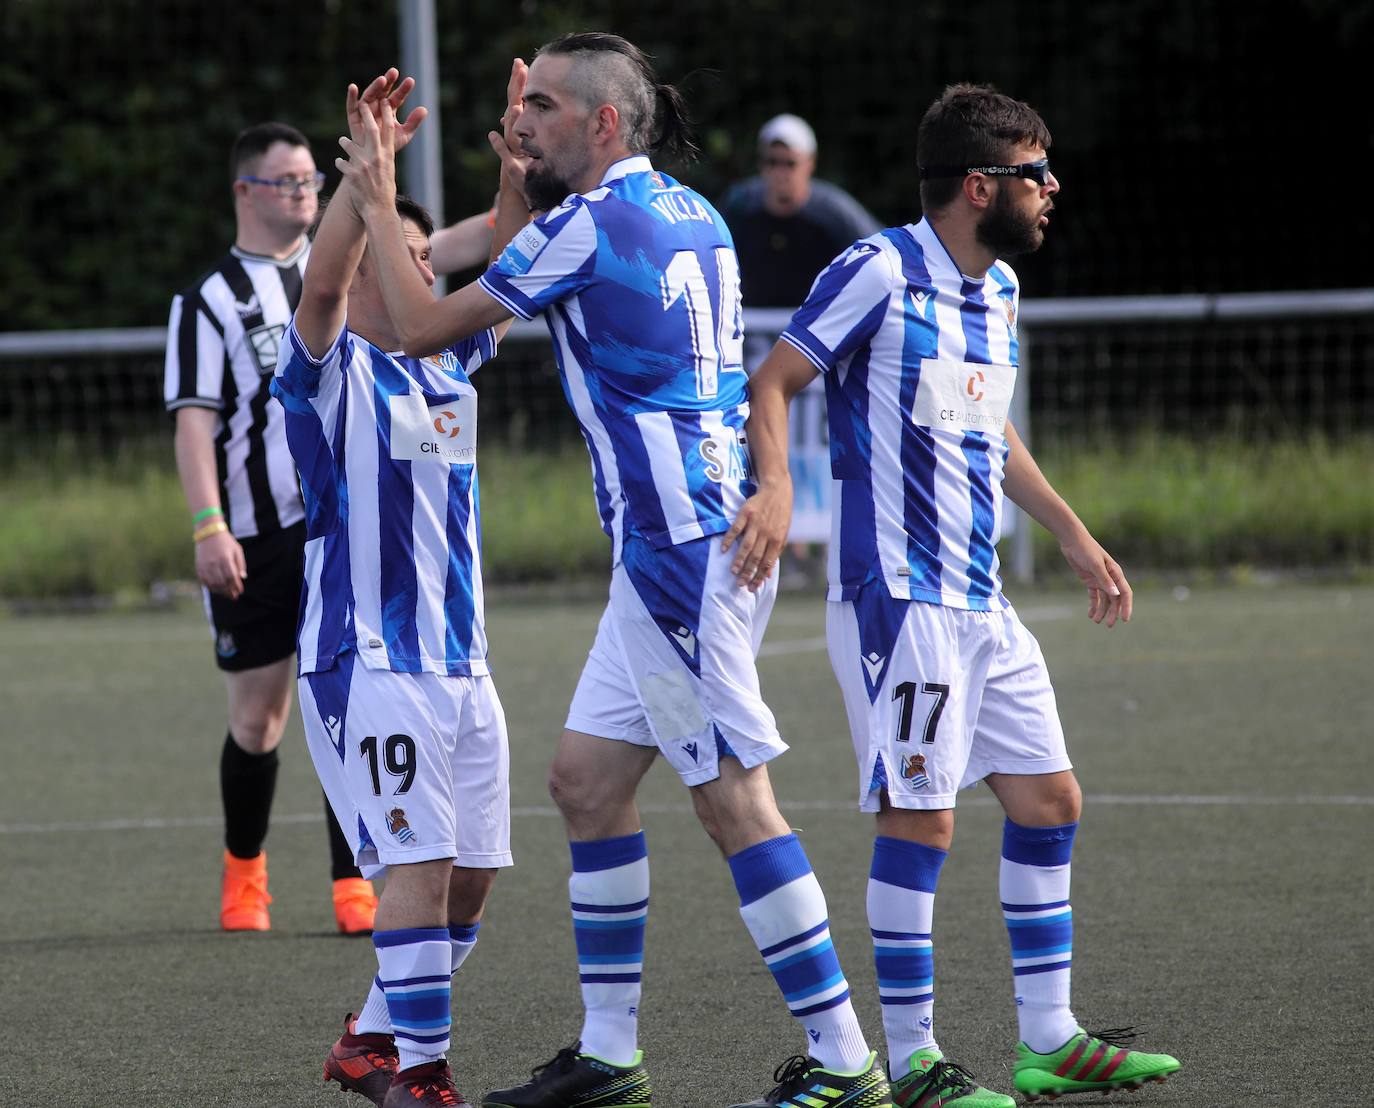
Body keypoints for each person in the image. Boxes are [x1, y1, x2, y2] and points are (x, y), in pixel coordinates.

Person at [336, 32, 890, 1108]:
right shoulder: (694, 211)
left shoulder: (589, 225)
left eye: (540, 106)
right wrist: (507, 174)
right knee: (585, 786)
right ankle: (608, 1054)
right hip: (695, 541)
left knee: (736, 804)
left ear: (601, 124)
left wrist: (373, 190)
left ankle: (846, 1065)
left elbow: (412, 324)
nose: (521, 120)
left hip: (679, 554)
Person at [725, 83, 1183, 1107]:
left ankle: (1050, 1038)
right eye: (1035, 171)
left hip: (983, 602)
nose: (1052, 186)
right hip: (899, 599)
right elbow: (774, 379)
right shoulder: (879, 269)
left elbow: (992, 428)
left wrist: (1069, 530)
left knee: (1049, 799)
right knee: (920, 819)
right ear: (979, 186)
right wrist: (778, 484)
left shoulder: (1002, 290)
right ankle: (917, 1061)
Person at [271, 69, 529, 1108]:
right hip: (366, 663)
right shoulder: (329, 372)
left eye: (429, 253)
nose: (423, 265)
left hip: (463, 663)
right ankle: (422, 1076)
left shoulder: (445, 367)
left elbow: (503, 266)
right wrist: (361, 183)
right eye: (408, 254)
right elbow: (323, 284)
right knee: (416, 871)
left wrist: (514, 179)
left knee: (472, 881)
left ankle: (370, 1040)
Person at [164, 120, 378, 934]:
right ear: (244, 192)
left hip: (334, 529)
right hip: (251, 536)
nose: (303, 194)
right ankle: (244, 874)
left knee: (344, 703)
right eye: (287, 182)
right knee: (260, 720)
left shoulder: (342, 273)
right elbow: (194, 423)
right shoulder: (208, 301)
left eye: (310, 181)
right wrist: (208, 527)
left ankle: (353, 883)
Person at [717, 113, 881, 309]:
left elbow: (882, 257)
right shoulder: (739, 206)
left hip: (818, 331)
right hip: (750, 328)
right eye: (772, 162)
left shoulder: (834, 213)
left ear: (810, 163)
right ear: (761, 164)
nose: (780, 173)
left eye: (790, 163)